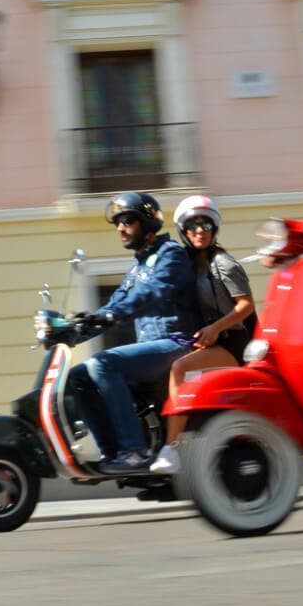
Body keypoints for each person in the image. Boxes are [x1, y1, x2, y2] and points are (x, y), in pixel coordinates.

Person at [69, 191, 200, 474]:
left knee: (103, 363)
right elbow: (114, 305)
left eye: (127, 220)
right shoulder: (136, 268)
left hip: (176, 343)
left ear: (147, 222)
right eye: (118, 222)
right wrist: (73, 331)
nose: (120, 228)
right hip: (153, 348)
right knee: (78, 376)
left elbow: (152, 292)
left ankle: (134, 451)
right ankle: (113, 452)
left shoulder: (171, 255)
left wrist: (112, 313)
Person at [150, 195, 256, 474]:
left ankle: (171, 449)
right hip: (213, 338)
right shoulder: (189, 263)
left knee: (179, 369)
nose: (200, 231)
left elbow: (246, 305)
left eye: (206, 225)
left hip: (234, 342)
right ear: (184, 231)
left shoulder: (223, 264)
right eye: (193, 226)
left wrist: (215, 328)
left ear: (214, 229)